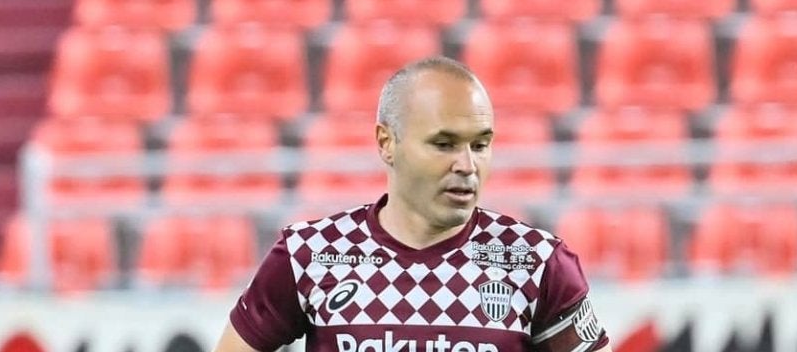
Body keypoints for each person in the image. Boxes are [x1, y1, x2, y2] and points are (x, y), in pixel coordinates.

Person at [213, 57, 611, 352]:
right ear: (387, 143)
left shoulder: (537, 261)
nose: (467, 165)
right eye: (444, 144)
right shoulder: (311, 253)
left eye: (480, 145)